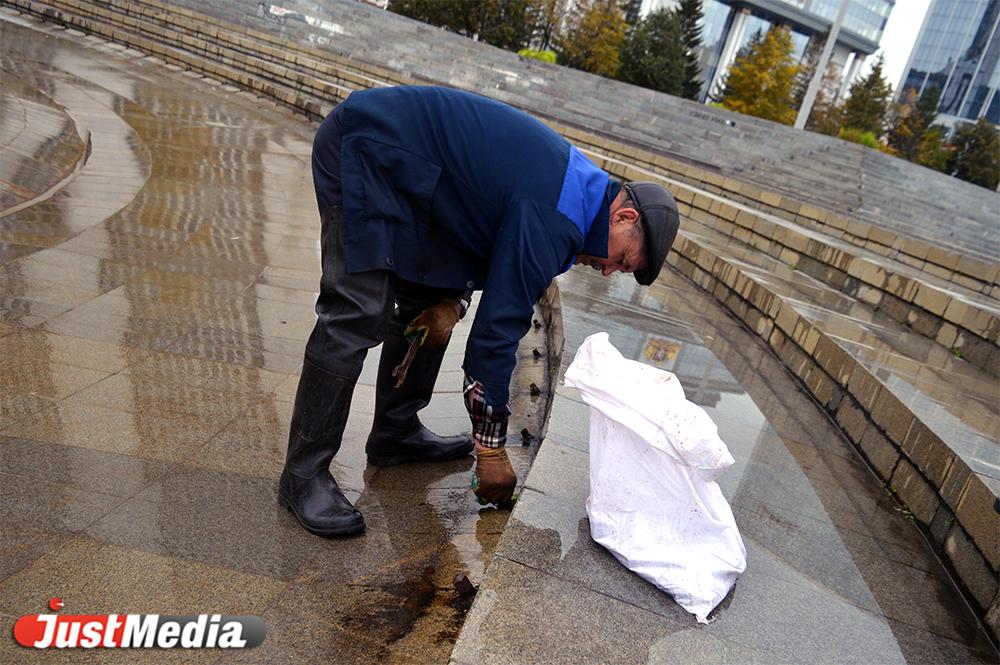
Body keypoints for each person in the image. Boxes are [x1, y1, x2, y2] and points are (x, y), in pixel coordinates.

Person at [278, 86, 680, 536]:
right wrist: (491, 452)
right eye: (622, 260)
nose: (609, 272)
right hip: (369, 150)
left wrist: (454, 301)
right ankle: (303, 476)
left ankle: (395, 432)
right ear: (624, 218)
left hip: (418, 180)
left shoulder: (578, 201)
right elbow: (495, 337)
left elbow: (488, 242)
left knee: (429, 304)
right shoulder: (557, 215)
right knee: (355, 314)